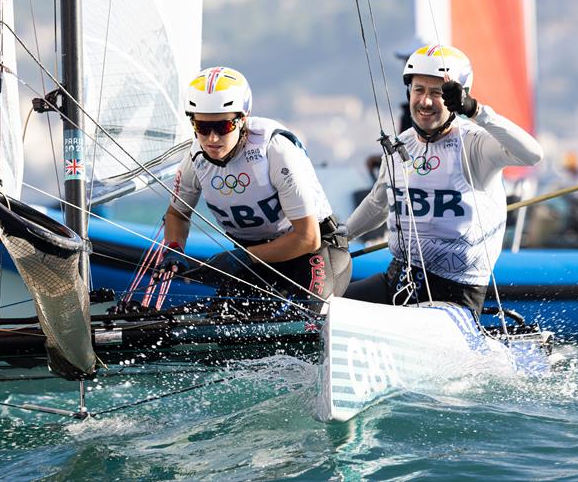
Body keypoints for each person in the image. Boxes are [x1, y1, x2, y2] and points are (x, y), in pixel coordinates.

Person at [344, 45, 544, 315]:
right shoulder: (399, 145)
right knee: (324, 309)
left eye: (437, 93)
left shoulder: (474, 143)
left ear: (456, 98)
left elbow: (532, 154)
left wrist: (476, 111)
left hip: (454, 295)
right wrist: (336, 238)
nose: (425, 101)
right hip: (397, 281)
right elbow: (377, 204)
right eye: (419, 90)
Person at [157, 66, 352, 314]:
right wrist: (174, 250)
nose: (212, 139)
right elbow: (177, 215)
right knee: (225, 324)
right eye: (202, 127)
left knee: (309, 320)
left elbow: (307, 237)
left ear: (242, 119)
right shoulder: (195, 158)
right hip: (257, 258)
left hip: (313, 251)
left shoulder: (274, 150)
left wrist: (241, 258)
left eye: (223, 126)